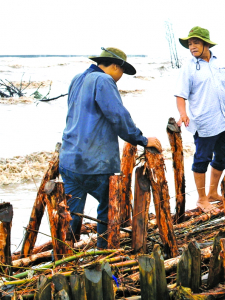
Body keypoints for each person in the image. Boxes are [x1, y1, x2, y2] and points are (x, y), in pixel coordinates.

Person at [59, 47, 161, 247]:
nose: (121, 76)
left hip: (69, 159)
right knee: (109, 209)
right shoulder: (104, 81)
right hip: (95, 163)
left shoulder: (77, 79)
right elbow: (118, 117)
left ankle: (62, 259)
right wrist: (141, 139)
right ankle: (104, 253)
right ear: (115, 66)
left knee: (70, 216)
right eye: (122, 71)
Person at [175, 26, 225, 213]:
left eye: (196, 42)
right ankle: (202, 200)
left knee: (224, 155)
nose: (192, 46)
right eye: (190, 43)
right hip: (202, 123)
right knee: (201, 160)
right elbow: (180, 95)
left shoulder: (221, 62)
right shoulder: (188, 67)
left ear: (206, 44)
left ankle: (211, 193)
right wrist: (182, 114)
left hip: (222, 121)